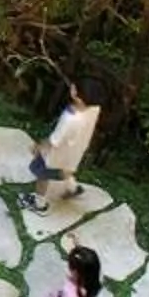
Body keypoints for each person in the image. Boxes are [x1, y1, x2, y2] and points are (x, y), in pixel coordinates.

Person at [30, 78, 103, 213]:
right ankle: (73, 188)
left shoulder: (70, 118)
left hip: (55, 156)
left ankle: (39, 204)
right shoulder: (95, 108)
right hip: (76, 152)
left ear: (78, 97)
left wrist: (39, 146)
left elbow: (54, 141)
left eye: (75, 88)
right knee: (66, 170)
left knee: (42, 174)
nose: (72, 87)